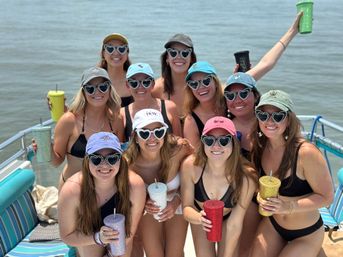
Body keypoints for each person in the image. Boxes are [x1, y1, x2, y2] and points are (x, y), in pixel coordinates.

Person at [250, 90, 334, 257]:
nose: (270, 121)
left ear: (288, 120)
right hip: (273, 224)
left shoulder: (305, 153)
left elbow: (327, 197)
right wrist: (259, 194)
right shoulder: (259, 147)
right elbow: (257, 184)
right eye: (263, 115)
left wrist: (289, 206)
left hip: (305, 233)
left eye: (278, 116)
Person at [58, 132, 146, 257]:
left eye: (112, 158)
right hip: (87, 236)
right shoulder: (72, 190)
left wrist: (112, 253)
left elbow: (130, 232)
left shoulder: (135, 186)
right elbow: (66, 235)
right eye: (96, 159)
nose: (104, 165)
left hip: (121, 236)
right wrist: (98, 238)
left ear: (120, 160)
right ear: (87, 161)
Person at [181, 116, 257, 257]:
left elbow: (235, 223)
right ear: (203, 142)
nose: (216, 146)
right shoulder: (191, 166)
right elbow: (187, 207)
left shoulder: (246, 176)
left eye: (224, 140)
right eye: (209, 140)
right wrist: (199, 218)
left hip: (229, 219)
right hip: (201, 218)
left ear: (234, 143)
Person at [125, 108, 193, 257]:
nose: (152, 138)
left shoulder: (180, 149)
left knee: (174, 254)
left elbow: (198, 174)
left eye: (158, 132)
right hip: (148, 211)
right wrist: (143, 202)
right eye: (144, 133)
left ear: (164, 133)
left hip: (178, 203)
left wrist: (177, 201)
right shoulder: (128, 163)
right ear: (135, 137)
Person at [52, 67, 124, 188]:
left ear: (110, 89)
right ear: (83, 92)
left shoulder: (116, 120)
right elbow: (56, 162)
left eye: (103, 87)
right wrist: (46, 148)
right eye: (90, 88)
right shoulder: (69, 120)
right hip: (73, 190)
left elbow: (118, 159)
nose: (97, 92)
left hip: (104, 191)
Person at [121, 63, 182, 141]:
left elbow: (179, 142)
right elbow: (120, 147)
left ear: (153, 84)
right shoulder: (122, 114)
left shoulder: (169, 107)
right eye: (134, 83)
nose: (140, 87)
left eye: (146, 82)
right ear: (127, 85)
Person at [152, 33, 197, 118]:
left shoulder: (200, 86)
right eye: (173, 53)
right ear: (167, 58)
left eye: (185, 53)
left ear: (192, 58)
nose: (179, 57)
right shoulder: (156, 89)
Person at [183, 61, 226, 148]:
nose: (201, 87)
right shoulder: (191, 121)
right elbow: (195, 156)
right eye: (194, 84)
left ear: (216, 82)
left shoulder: (230, 101)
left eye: (206, 81)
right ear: (190, 89)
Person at [99, 33, 134, 107]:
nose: (116, 53)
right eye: (110, 48)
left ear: (127, 53)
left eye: (121, 49)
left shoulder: (136, 81)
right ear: (103, 53)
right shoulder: (93, 81)